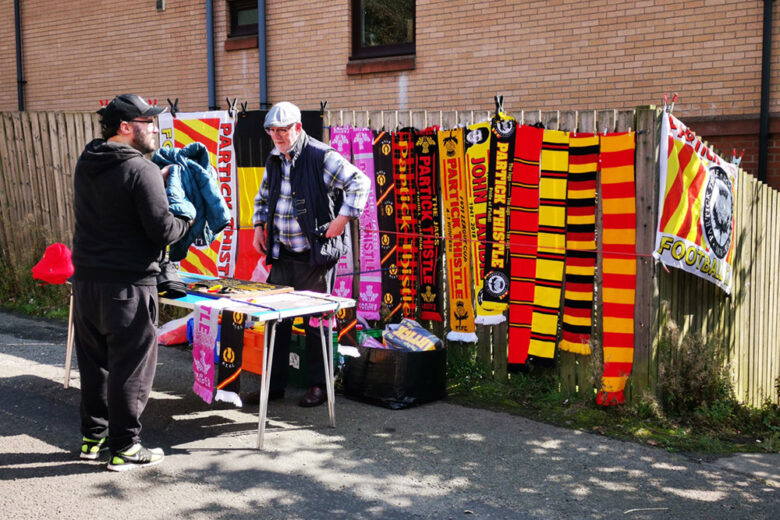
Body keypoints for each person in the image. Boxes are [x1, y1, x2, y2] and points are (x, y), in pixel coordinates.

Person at [71, 94, 191, 471]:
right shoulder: (142, 170)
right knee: (131, 366)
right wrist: (185, 215)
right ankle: (125, 447)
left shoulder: (87, 160)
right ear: (126, 127)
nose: (155, 128)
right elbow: (164, 231)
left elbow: (115, 204)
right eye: (148, 122)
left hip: (87, 282)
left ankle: (94, 440)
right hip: (129, 286)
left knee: (95, 365)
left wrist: (155, 182)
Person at [252, 101, 369, 407]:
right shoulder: (275, 158)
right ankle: (273, 386)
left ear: (298, 128)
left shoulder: (321, 156)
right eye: (272, 131)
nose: (278, 136)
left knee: (317, 322)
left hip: (315, 256)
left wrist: (341, 220)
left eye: (283, 129)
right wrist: (258, 228)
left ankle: (319, 385)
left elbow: (360, 182)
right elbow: (264, 197)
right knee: (275, 322)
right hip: (282, 254)